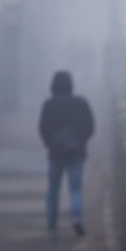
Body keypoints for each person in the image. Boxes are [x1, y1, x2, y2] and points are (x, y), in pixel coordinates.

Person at [38, 71, 94, 236]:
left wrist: (51, 144)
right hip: (76, 153)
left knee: (53, 189)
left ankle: (52, 222)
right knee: (75, 189)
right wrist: (80, 142)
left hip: (55, 154)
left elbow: (43, 128)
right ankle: (76, 219)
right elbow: (90, 127)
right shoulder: (81, 103)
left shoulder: (49, 104)